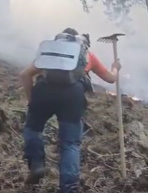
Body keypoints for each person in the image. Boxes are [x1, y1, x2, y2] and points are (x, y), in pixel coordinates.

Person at [19, 28, 121, 193]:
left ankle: (36, 164)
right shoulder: (87, 55)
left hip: (43, 92)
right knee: (70, 144)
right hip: (72, 97)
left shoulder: (49, 53)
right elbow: (110, 78)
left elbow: (24, 75)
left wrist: (32, 102)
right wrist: (115, 67)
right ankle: (69, 188)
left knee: (32, 129)